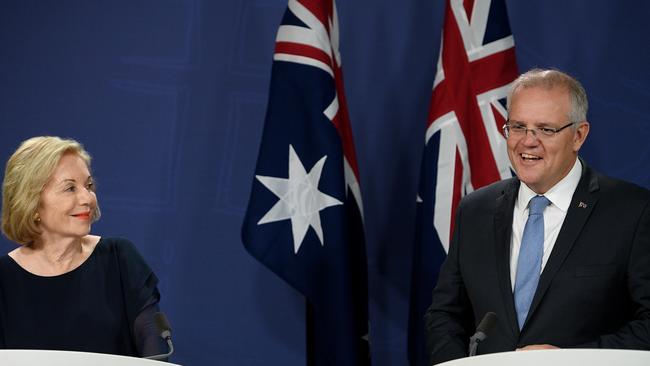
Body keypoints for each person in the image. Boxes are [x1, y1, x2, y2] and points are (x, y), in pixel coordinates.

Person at [424, 69, 650, 364]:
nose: (527, 142)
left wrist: (570, 359)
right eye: (517, 127)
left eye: (545, 129)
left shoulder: (632, 211)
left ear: (578, 136)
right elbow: (445, 314)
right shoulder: (476, 210)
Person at [0, 136, 166, 357]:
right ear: (32, 203)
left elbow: (154, 344)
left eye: (88, 186)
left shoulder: (118, 258)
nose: (87, 198)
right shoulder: (3, 280)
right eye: (70, 188)